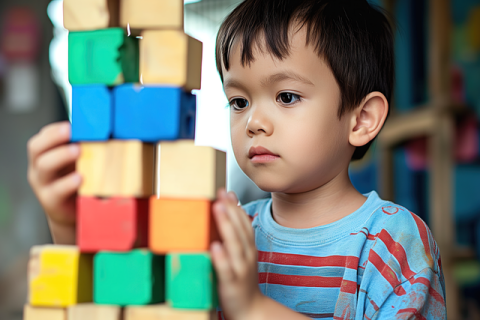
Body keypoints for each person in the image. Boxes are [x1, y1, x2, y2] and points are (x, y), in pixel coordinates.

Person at [27, 0, 447, 319]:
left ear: (362, 119)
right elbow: (126, 302)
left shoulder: (393, 242)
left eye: (286, 96)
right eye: (239, 100)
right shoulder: (228, 230)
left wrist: (254, 308)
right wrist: (70, 224)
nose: (253, 122)